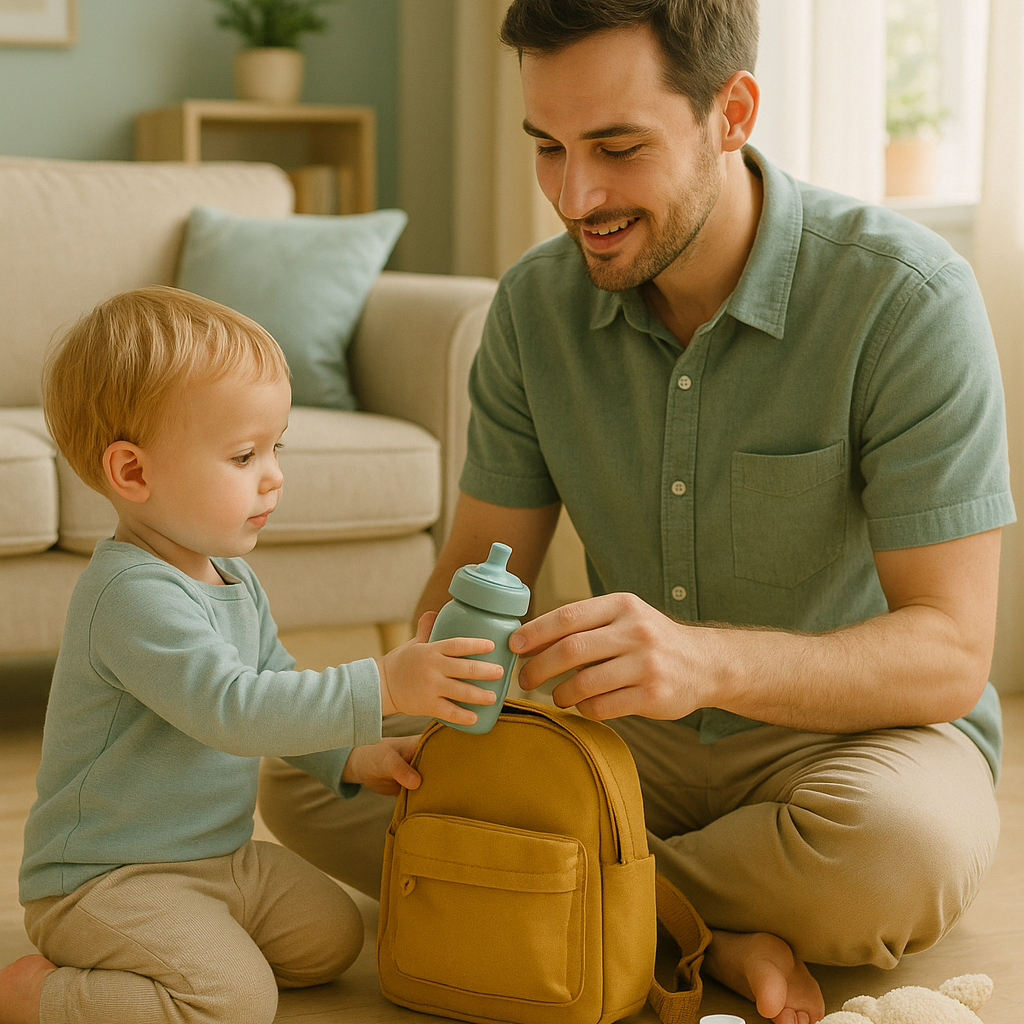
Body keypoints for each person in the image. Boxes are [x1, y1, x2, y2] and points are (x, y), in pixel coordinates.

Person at [257, 2, 1016, 1022]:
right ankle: (697, 928)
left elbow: (948, 653)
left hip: (848, 746)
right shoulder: (531, 309)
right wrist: (442, 674)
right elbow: (476, 574)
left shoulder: (906, 298)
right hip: (619, 743)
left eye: (617, 147)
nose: (576, 197)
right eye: (547, 149)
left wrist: (705, 663)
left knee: (898, 852)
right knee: (305, 775)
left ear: (732, 112)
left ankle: (573, 898)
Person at [0, 286, 503, 1024]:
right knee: (235, 1003)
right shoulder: (131, 596)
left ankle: (183, 947)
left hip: (220, 859)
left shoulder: (232, 575)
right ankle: (37, 994)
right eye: (243, 455)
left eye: (277, 447)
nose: (273, 475)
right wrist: (385, 683)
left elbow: (277, 683)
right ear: (134, 474)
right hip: (108, 879)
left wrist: (350, 757)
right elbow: (235, 710)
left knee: (331, 941)